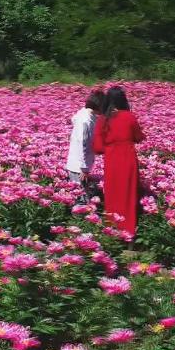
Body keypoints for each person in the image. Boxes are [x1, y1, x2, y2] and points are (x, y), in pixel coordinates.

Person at [91, 86, 145, 241]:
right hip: (128, 159)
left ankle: (112, 231)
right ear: (123, 100)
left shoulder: (103, 119)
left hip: (112, 161)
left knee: (112, 195)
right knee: (128, 194)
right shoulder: (129, 117)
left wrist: (110, 146)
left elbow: (98, 147)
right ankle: (128, 232)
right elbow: (139, 136)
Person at [65, 89, 105, 202]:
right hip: (79, 166)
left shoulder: (83, 114)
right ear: (99, 106)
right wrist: (84, 168)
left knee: (81, 194)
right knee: (81, 198)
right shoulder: (86, 121)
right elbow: (83, 144)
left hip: (79, 163)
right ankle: (79, 217)